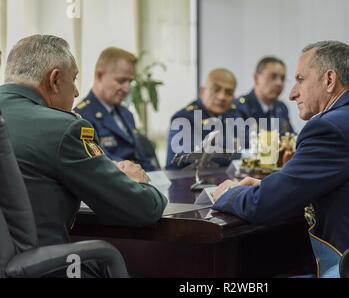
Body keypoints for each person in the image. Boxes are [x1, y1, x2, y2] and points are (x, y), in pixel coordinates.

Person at [212, 41, 349, 277]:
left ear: (329, 80)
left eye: (300, 79)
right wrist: (275, 185)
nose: (292, 93)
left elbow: (262, 205)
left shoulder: (331, 125)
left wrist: (228, 194)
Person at [0, 35, 167, 249]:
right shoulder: (63, 128)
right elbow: (143, 210)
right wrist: (139, 182)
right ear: (54, 79)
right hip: (45, 267)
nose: (77, 92)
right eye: (74, 78)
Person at [74, 47, 156, 171]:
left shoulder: (127, 114)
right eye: (121, 80)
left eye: (130, 82)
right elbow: (101, 164)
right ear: (99, 75)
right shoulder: (82, 117)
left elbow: (141, 158)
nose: (127, 89)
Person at [166, 68, 245, 170]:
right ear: (202, 92)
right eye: (216, 90)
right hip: (183, 181)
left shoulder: (232, 115)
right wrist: (237, 152)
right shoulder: (184, 118)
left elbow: (249, 144)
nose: (222, 97)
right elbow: (203, 157)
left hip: (220, 179)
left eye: (228, 92)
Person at [235, 56, 294, 135]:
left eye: (282, 78)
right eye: (273, 77)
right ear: (256, 78)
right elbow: (243, 141)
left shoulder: (281, 108)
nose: (279, 83)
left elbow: (290, 137)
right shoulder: (240, 107)